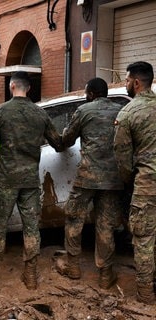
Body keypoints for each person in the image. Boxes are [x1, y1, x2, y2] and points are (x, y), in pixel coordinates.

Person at [0, 71, 64, 290]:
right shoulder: (40, 114)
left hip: (6, 180)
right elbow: (58, 143)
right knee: (31, 228)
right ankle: (31, 277)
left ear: (12, 86)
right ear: (29, 89)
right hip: (30, 182)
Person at [54, 78, 124, 290]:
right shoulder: (121, 111)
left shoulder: (84, 111)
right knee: (106, 226)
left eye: (86, 92)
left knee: (74, 218)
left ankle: (73, 266)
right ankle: (105, 275)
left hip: (88, 178)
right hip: (113, 179)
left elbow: (66, 140)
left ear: (92, 93)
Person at [114, 61, 156, 304]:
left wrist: (129, 180)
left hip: (146, 187)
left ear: (137, 83)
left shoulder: (128, 113)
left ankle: (145, 295)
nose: (126, 84)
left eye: (127, 80)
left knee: (143, 241)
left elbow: (122, 159)